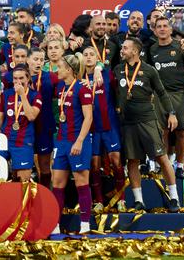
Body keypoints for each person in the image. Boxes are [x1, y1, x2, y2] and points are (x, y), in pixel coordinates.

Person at [113, 38, 180, 213]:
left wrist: (171, 113)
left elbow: (162, 93)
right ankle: (138, 201)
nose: (122, 49)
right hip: (127, 122)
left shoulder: (149, 70)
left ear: (135, 51)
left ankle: (174, 197)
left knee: (161, 157)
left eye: (125, 47)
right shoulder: (118, 69)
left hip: (147, 120)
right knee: (132, 161)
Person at [149, 16, 184, 180]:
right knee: (162, 132)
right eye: (159, 26)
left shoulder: (181, 47)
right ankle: (163, 165)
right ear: (155, 30)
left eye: (165, 26)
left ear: (171, 29)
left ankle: (180, 166)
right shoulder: (152, 50)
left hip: (179, 94)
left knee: (181, 132)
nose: (162, 29)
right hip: (160, 96)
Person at [50, 53, 94, 235]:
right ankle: (55, 224)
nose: (56, 70)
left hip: (78, 141)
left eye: (59, 67)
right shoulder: (61, 87)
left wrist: (79, 141)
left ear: (69, 69)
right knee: (57, 182)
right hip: (61, 141)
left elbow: (89, 117)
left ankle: (85, 224)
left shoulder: (82, 89)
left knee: (82, 182)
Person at [83, 46, 124, 211]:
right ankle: (98, 200)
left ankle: (121, 198)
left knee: (116, 160)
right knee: (94, 165)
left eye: (92, 54)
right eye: (85, 54)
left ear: (97, 58)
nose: (88, 57)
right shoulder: (80, 78)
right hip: (91, 129)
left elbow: (119, 91)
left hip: (110, 126)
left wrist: (101, 67)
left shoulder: (107, 75)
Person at [0, 64, 42, 182]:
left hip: (23, 143)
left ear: (28, 79)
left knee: (22, 182)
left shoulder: (35, 95)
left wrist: (22, 95)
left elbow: (31, 116)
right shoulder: (7, 94)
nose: (18, 81)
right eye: (15, 78)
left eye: (21, 78)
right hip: (4, 141)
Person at [30, 46, 57, 189]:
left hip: (44, 126)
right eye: (35, 59)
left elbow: (67, 86)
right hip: (25, 127)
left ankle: (47, 194)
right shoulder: (18, 76)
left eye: (41, 59)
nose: (39, 62)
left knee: (45, 165)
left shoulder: (51, 77)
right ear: (28, 60)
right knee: (24, 165)